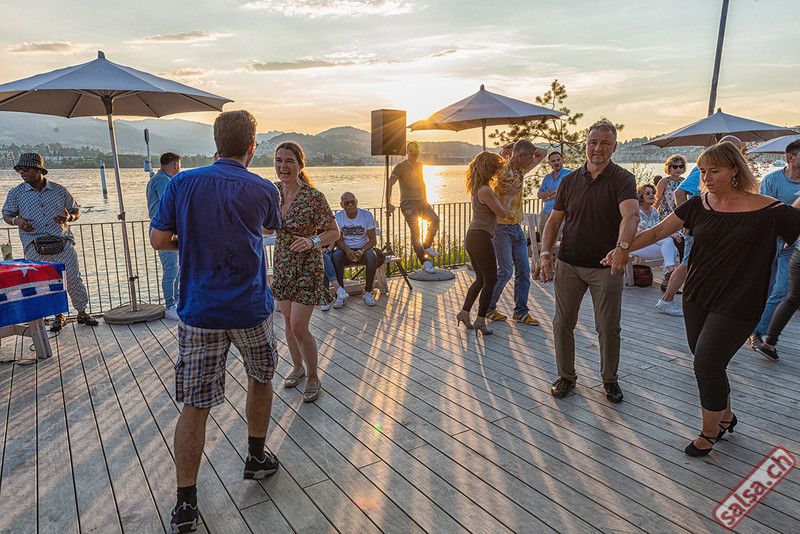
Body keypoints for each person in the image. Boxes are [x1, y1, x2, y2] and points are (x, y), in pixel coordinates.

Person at [604, 141, 800, 457]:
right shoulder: (697, 205)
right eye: (703, 171)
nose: (706, 178)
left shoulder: (768, 209)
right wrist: (623, 248)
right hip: (696, 296)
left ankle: (710, 432)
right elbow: (655, 233)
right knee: (710, 362)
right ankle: (726, 416)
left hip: (741, 300)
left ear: (735, 170)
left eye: (714, 171)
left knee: (706, 363)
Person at [149, 110, 283, 534]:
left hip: (199, 311)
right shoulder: (263, 188)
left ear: (215, 142)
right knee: (261, 377)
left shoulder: (181, 183)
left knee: (196, 403)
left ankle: (186, 502)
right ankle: (256, 457)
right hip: (250, 307)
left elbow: (159, 240)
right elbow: (269, 228)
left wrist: (189, 239)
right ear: (252, 146)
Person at [540, 120, 638, 404]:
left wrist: (622, 247)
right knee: (562, 323)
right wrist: (545, 254)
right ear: (585, 145)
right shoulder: (570, 181)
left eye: (605, 143)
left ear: (614, 147)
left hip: (606, 266)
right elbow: (554, 221)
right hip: (569, 263)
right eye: (593, 142)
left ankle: (609, 379)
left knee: (608, 327)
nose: (598, 148)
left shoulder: (622, 179)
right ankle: (566, 376)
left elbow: (631, 215)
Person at [270, 141, 340, 403]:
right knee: (288, 323)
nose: (283, 166)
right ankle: (297, 367)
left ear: (300, 165)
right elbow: (266, 228)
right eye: (279, 160)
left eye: (289, 161)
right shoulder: (273, 192)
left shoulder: (313, 197)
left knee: (299, 327)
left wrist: (313, 241)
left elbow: (334, 232)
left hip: (307, 268)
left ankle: (312, 376)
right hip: (283, 265)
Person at [3, 153, 99, 332]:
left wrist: (69, 217)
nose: (22, 172)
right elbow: (7, 214)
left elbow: (75, 210)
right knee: (45, 283)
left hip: (63, 241)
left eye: (26, 168)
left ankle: (82, 313)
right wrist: (18, 221)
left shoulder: (60, 190)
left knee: (73, 278)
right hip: (34, 244)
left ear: (39, 170)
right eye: (19, 169)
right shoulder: (15, 193)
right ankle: (58, 316)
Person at [657, 136, 743, 317]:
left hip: (716, 226)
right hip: (700, 226)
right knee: (687, 263)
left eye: (740, 149)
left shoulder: (727, 169)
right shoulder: (704, 167)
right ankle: (666, 299)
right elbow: (680, 193)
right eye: (736, 149)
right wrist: (688, 221)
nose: (739, 153)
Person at [456, 151, 521, 335]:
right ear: (489, 169)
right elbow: (502, 213)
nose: (498, 171)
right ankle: (480, 321)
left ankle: (464, 313)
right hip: (480, 238)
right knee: (490, 280)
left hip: (474, 236)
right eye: (496, 167)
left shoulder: (479, 187)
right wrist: (510, 195)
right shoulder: (485, 190)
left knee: (481, 280)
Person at [485, 139, 547, 325]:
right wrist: (514, 151)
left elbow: (543, 153)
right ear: (520, 157)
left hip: (517, 228)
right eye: (528, 157)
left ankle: (520, 312)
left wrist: (515, 146)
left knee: (524, 271)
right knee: (505, 271)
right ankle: (488, 308)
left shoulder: (521, 169)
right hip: (501, 228)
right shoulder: (501, 172)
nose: (531, 160)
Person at [749, 138, 800, 355]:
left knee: (782, 290)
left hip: (793, 245)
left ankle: (759, 334)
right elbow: (764, 213)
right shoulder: (771, 180)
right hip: (769, 241)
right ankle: (751, 326)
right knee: (765, 287)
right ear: (791, 158)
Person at [387, 141, 439, 274]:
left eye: (416, 151)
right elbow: (390, 183)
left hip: (421, 202)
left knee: (435, 219)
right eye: (411, 151)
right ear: (407, 152)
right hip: (408, 203)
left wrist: (426, 200)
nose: (413, 154)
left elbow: (422, 184)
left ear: (418, 153)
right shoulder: (400, 167)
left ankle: (426, 245)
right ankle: (424, 262)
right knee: (416, 232)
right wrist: (388, 202)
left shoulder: (420, 166)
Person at [330, 192, 382, 307]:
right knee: (336, 256)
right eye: (346, 203)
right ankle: (340, 294)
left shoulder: (366, 215)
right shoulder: (338, 217)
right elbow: (338, 240)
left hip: (363, 249)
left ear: (356, 202)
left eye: (352, 202)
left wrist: (361, 251)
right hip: (346, 250)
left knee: (372, 256)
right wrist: (347, 250)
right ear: (341, 205)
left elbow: (373, 240)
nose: (350, 205)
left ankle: (367, 291)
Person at [146, 152, 181, 320]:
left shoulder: (160, 179)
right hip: (163, 229)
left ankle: (177, 300)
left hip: (167, 228)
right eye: (179, 166)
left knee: (177, 268)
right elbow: (170, 204)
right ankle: (169, 306)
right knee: (171, 269)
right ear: (175, 165)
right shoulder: (163, 181)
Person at [757, 243, 800, 361]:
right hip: (791, 249)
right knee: (786, 296)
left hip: (796, 251)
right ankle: (760, 335)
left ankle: (767, 341)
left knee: (789, 298)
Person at [635, 183, 678, 275]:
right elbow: (644, 230)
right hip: (638, 244)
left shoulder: (654, 210)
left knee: (671, 249)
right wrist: (669, 234)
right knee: (671, 248)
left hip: (653, 241)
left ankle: (668, 274)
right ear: (641, 196)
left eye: (653, 192)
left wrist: (667, 234)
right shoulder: (636, 211)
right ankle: (669, 275)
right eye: (647, 193)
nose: (651, 195)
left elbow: (658, 228)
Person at [537, 151, 570, 248]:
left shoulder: (569, 175)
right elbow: (539, 194)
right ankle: (544, 257)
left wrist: (548, 197)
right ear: (549, 163)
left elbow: (566, 194)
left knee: (551, 243)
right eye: (553, 161)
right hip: (545, 212)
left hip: (560, 213)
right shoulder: (547, 178)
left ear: (562, 160)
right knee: (544, 243)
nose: (556, 163)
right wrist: (555, 191)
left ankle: (548, 257)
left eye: (558, 160)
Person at [654, 154, 687, 218]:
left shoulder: (683, 181)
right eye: (675, 167)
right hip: (665, 216)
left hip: (679, 216)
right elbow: (657, 199)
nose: (678, 169)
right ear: (669, 168)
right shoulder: (664, 181)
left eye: (681, 166)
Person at [320, 246, 348, 311]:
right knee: (324, 257)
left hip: (328, 251)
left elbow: (333, 241)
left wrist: (329, 248)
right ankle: (338, 288)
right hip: (313, 252)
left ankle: (325, 299)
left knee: (328, 259)